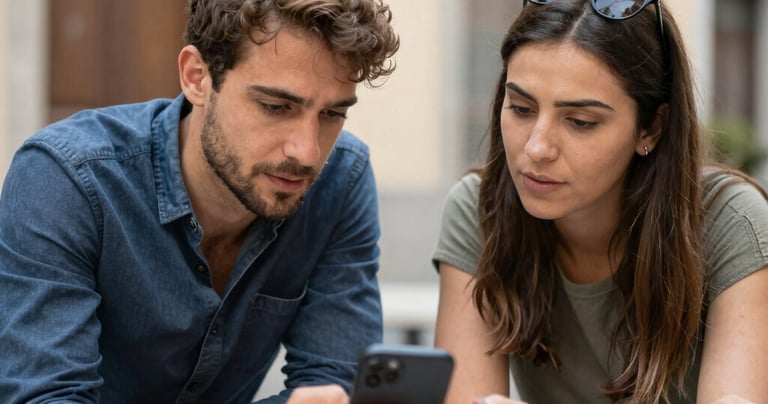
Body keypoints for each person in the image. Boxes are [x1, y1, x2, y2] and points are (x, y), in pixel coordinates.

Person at [0, 0, 399, 402]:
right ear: (197, 77)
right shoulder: (67, 177)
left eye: (331, 114)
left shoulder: (340, 180)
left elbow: (335, 388)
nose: (307, 152)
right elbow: (46, 396)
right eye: (276, 107)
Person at [432, 1, 768, 403]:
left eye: (580, 122)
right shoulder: (479, 210)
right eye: (521, 108)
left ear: (651, 127)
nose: (537, 148)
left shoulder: (733, 223)